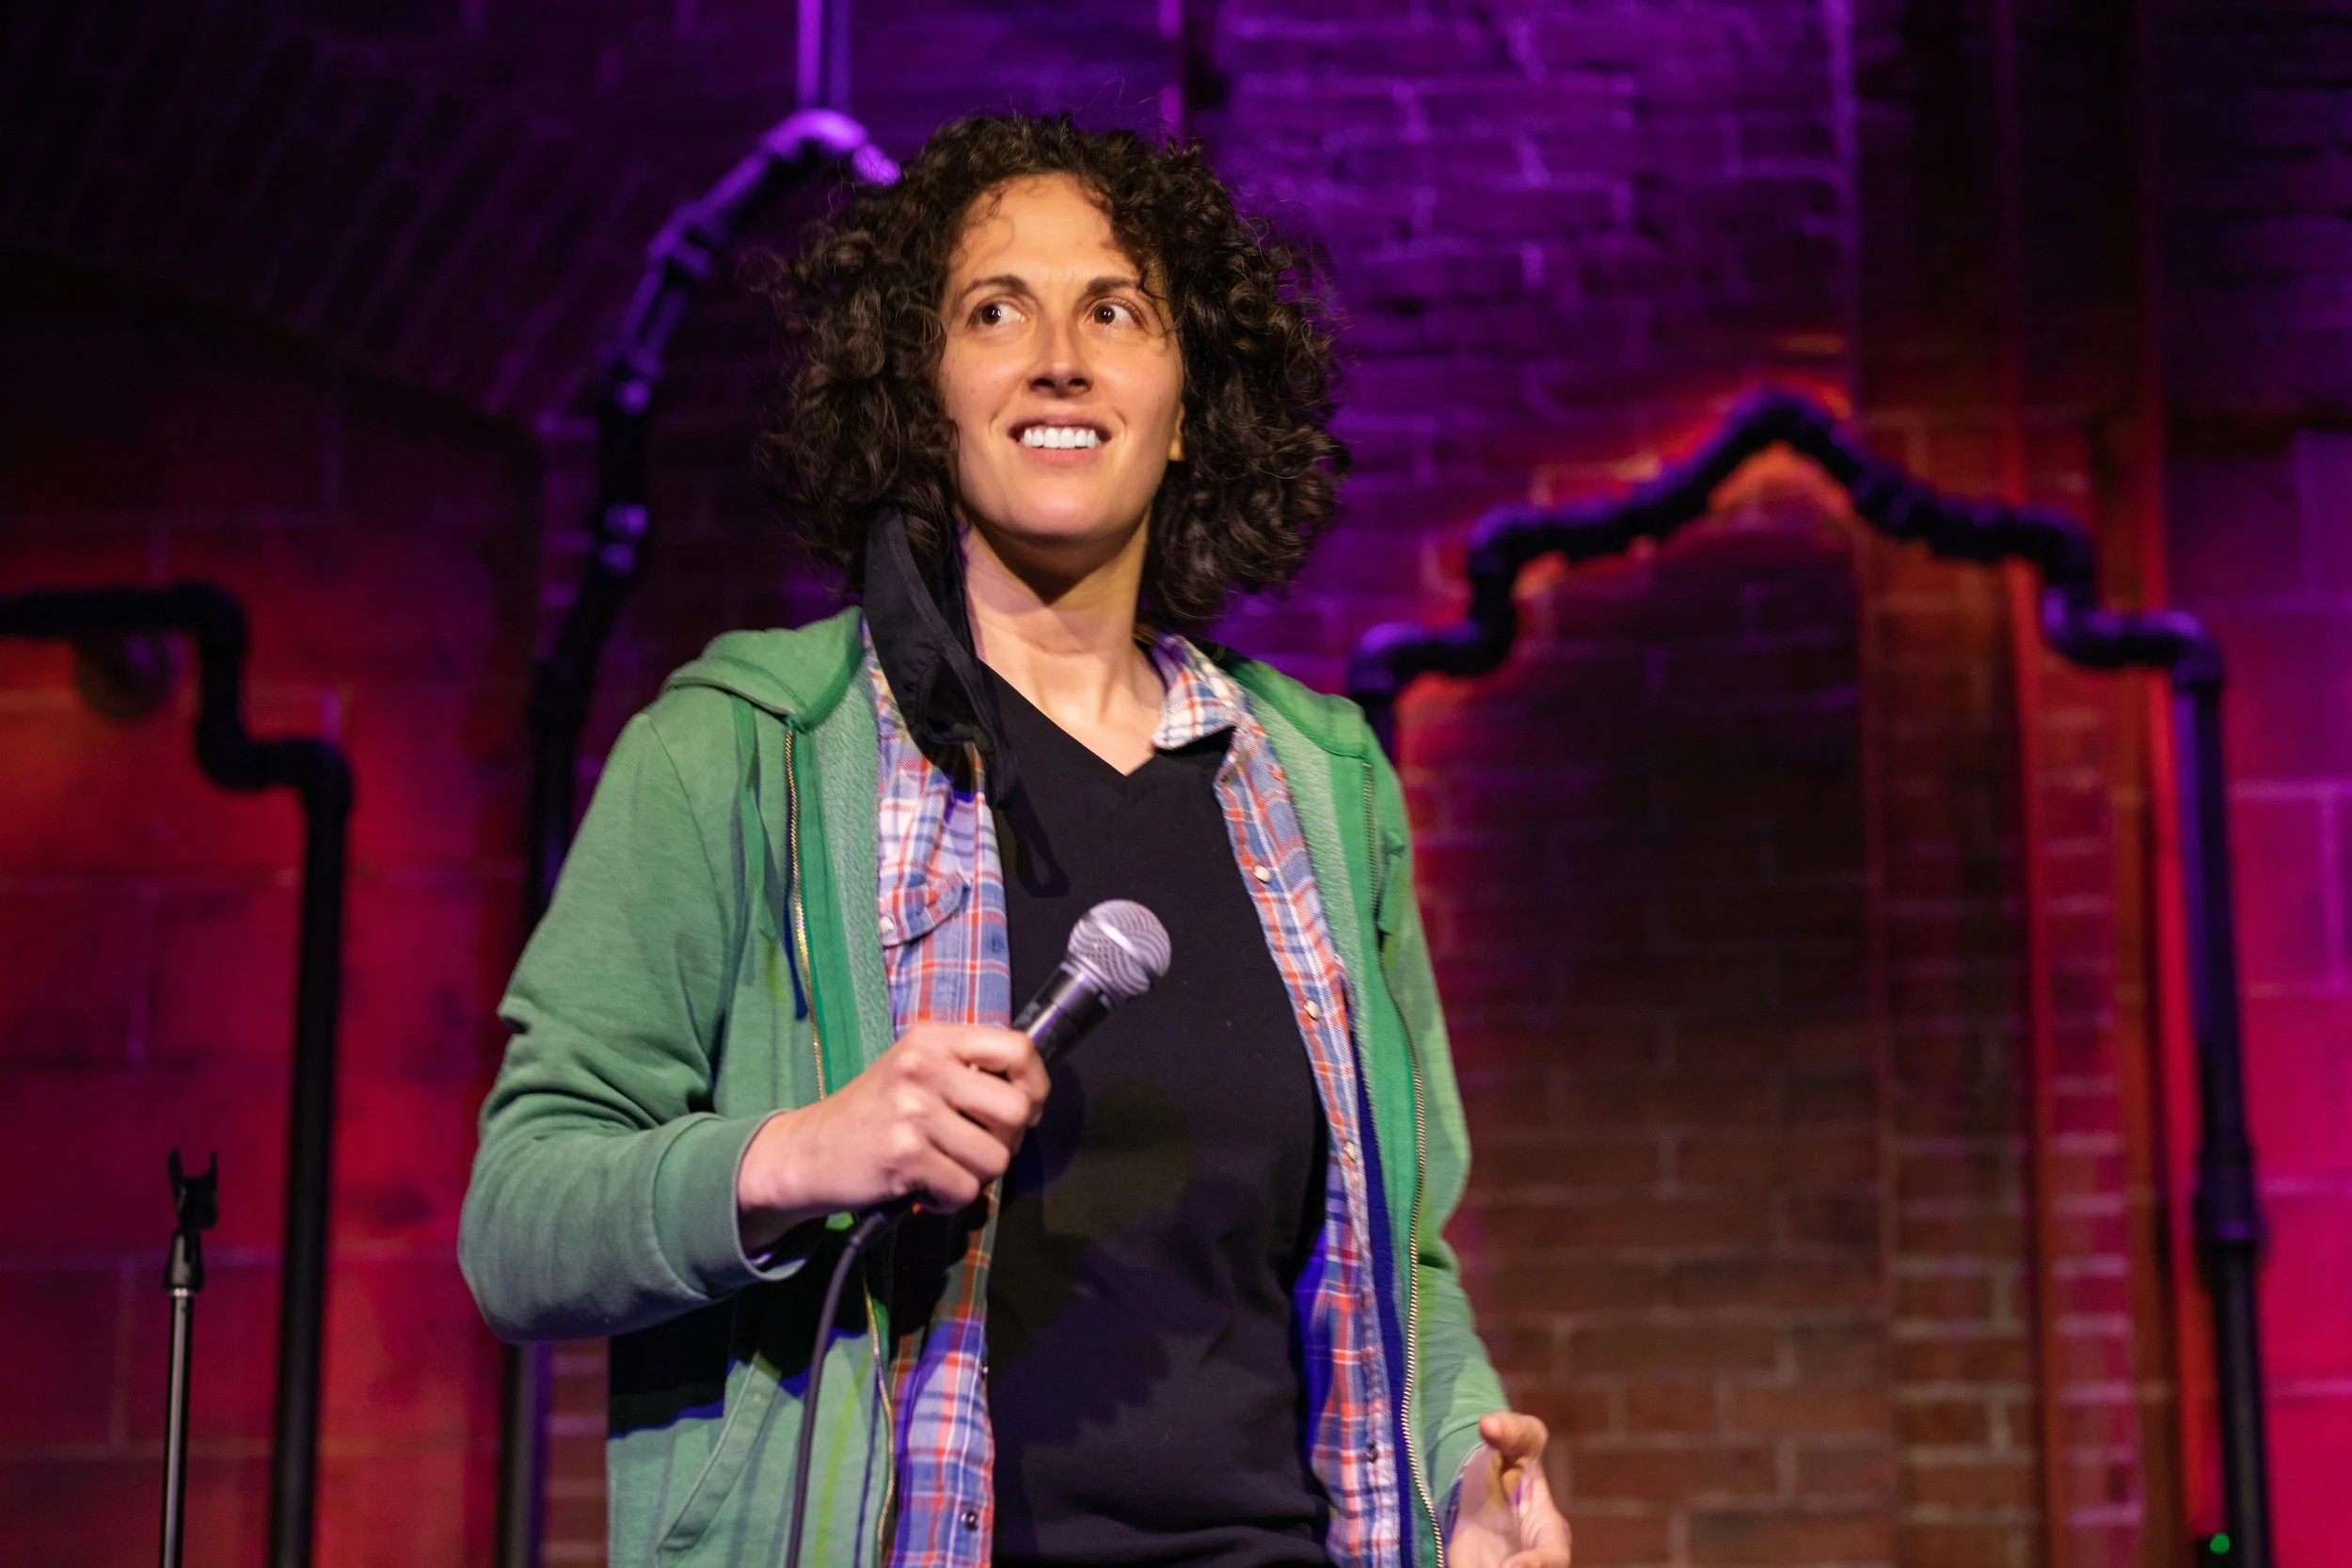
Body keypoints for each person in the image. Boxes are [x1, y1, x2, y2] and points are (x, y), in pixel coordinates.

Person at [459, 114, 1571, 1568]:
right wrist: (798, 1152)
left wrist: (1465, 1479)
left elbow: (1401, 1266)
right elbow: (519, 1222)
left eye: (1114, 311)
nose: (1059, 358)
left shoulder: (1320, 783)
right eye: (996, 311)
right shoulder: (744, 748)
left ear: (1187, 404)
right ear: (923, 395)